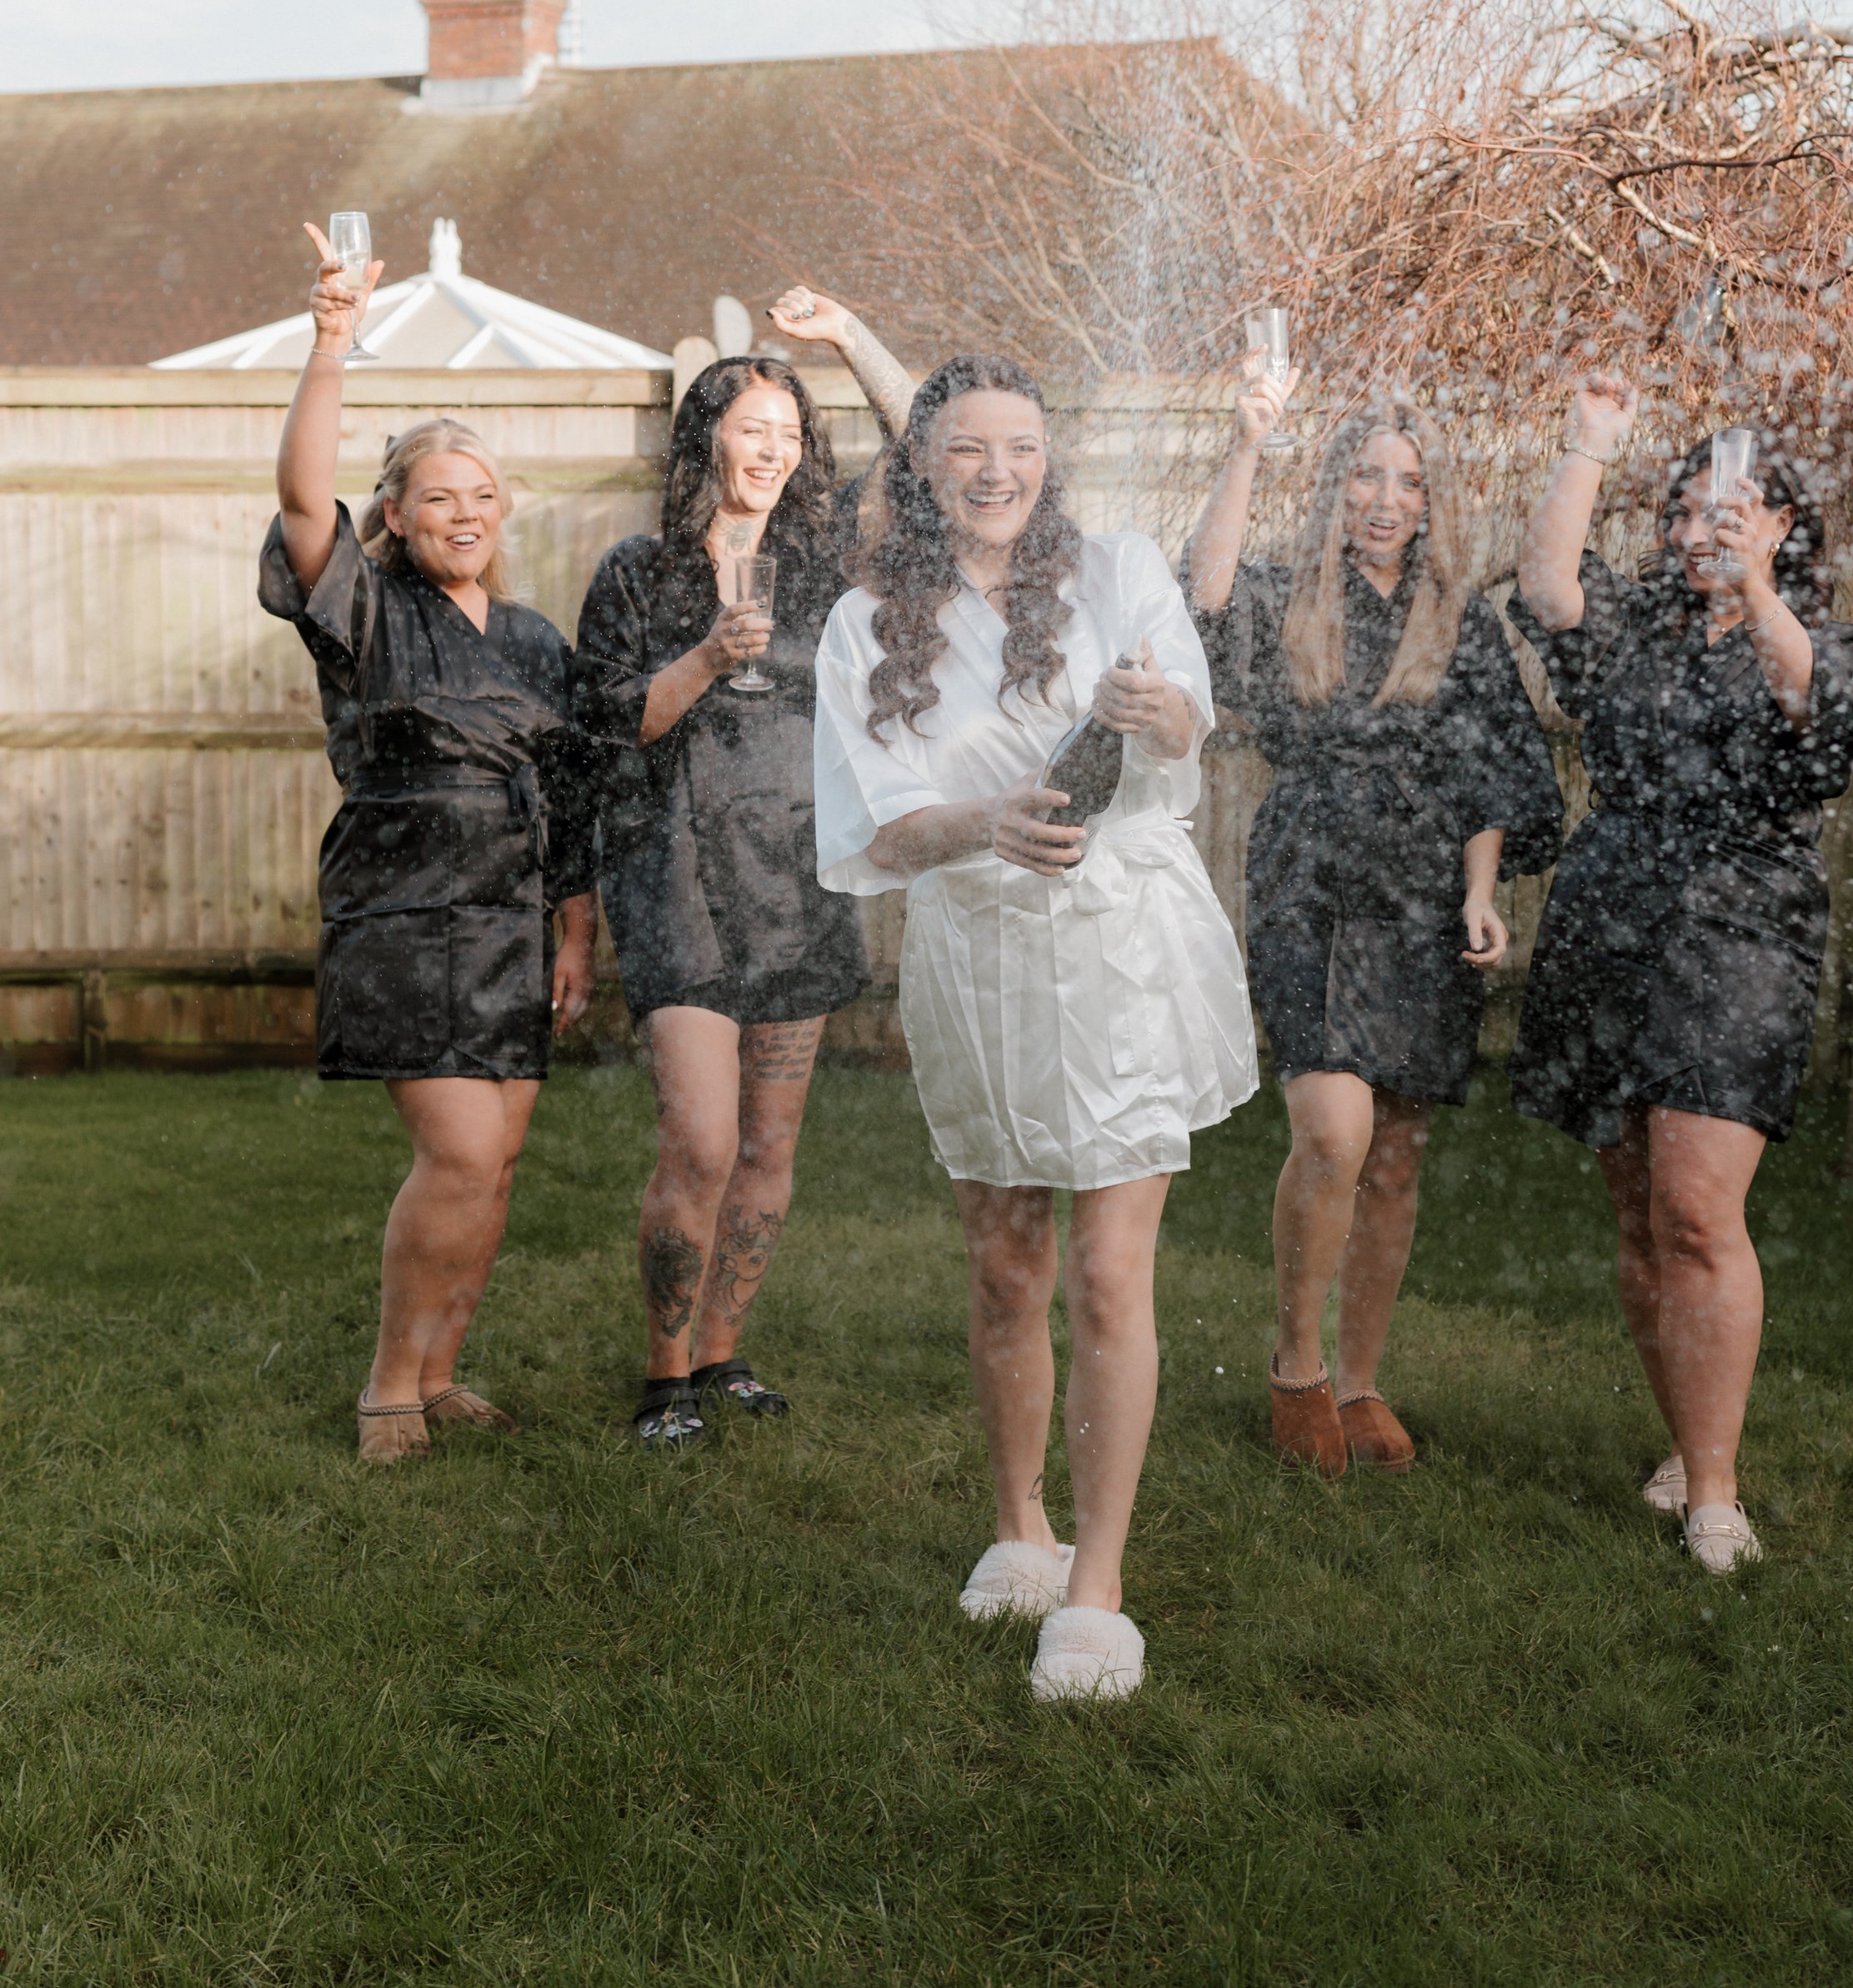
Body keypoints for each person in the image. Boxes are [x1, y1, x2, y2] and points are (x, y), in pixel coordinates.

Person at [814, 355, 1256, 1703]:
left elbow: (1189, 721)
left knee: (1109, 1276)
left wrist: (1153, 708)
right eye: (965, 448)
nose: (996, 469)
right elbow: (874, 825)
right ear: (925, 465)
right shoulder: (862, 624)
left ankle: (1098, 1588)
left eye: (1019, 445)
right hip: (976, 955)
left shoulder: (1119, 572)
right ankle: (1020, 1528)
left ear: (1048, 460)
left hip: (1121, 949)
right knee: (1006, 1262)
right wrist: (981, 825)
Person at [1510, 375, 1853, 1575]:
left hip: (1745, 928)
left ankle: (1715, 1491)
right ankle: (1685, 1439)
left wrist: (1757, 586)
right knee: (1635, 1213)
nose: (1706, 528)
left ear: (1782, 525)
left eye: (1739, 509)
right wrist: (1587, 448)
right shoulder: (1638, 630)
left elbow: (1804, 699)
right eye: (1690, 512)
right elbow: (1549, 589)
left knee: (1699, 1210)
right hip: (1612, 916)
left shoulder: (1830, 637)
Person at [1186, 359, 1561, 1479]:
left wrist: (1483, 891)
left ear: (1432, 503)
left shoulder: (1464, 620)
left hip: (1422, 897)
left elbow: (1494, 764)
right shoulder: (1286, 590)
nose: (1386, 500)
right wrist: (1248, 441)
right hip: (1311, 881)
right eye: (1365, 476)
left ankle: (1360, 1379)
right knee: (1334, 1132)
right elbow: (1200, 600)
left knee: (1394, 1157)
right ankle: (1295, 1364)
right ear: (1334, 488)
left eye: (1408, 482)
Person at [260, 224, 598, 1464]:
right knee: (457, 1154)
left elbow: (566, 797)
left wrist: (576, 930)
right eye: (437, 497)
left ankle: (446, 1371)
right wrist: (333, 340)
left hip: (512, 924)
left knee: (497, 1168)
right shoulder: (362, 608)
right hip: (403, 923)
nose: (465, 513)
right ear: (394, 517)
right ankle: (390, 1385)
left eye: (483, 497)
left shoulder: (532, 638)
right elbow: (303, 499)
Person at [574, 292, 917, 1450]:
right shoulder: (637, 573)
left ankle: (722, 1354)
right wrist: (706, 657)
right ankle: (663, 1376)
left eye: (789, 433)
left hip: (801, 874)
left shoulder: (825, 564)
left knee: (771, 1150)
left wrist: (851, 337)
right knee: (705, 1144)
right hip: (675, 874)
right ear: (705, 437)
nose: (771, 450)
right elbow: (610, 724)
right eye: (750, 427)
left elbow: (927, 456)